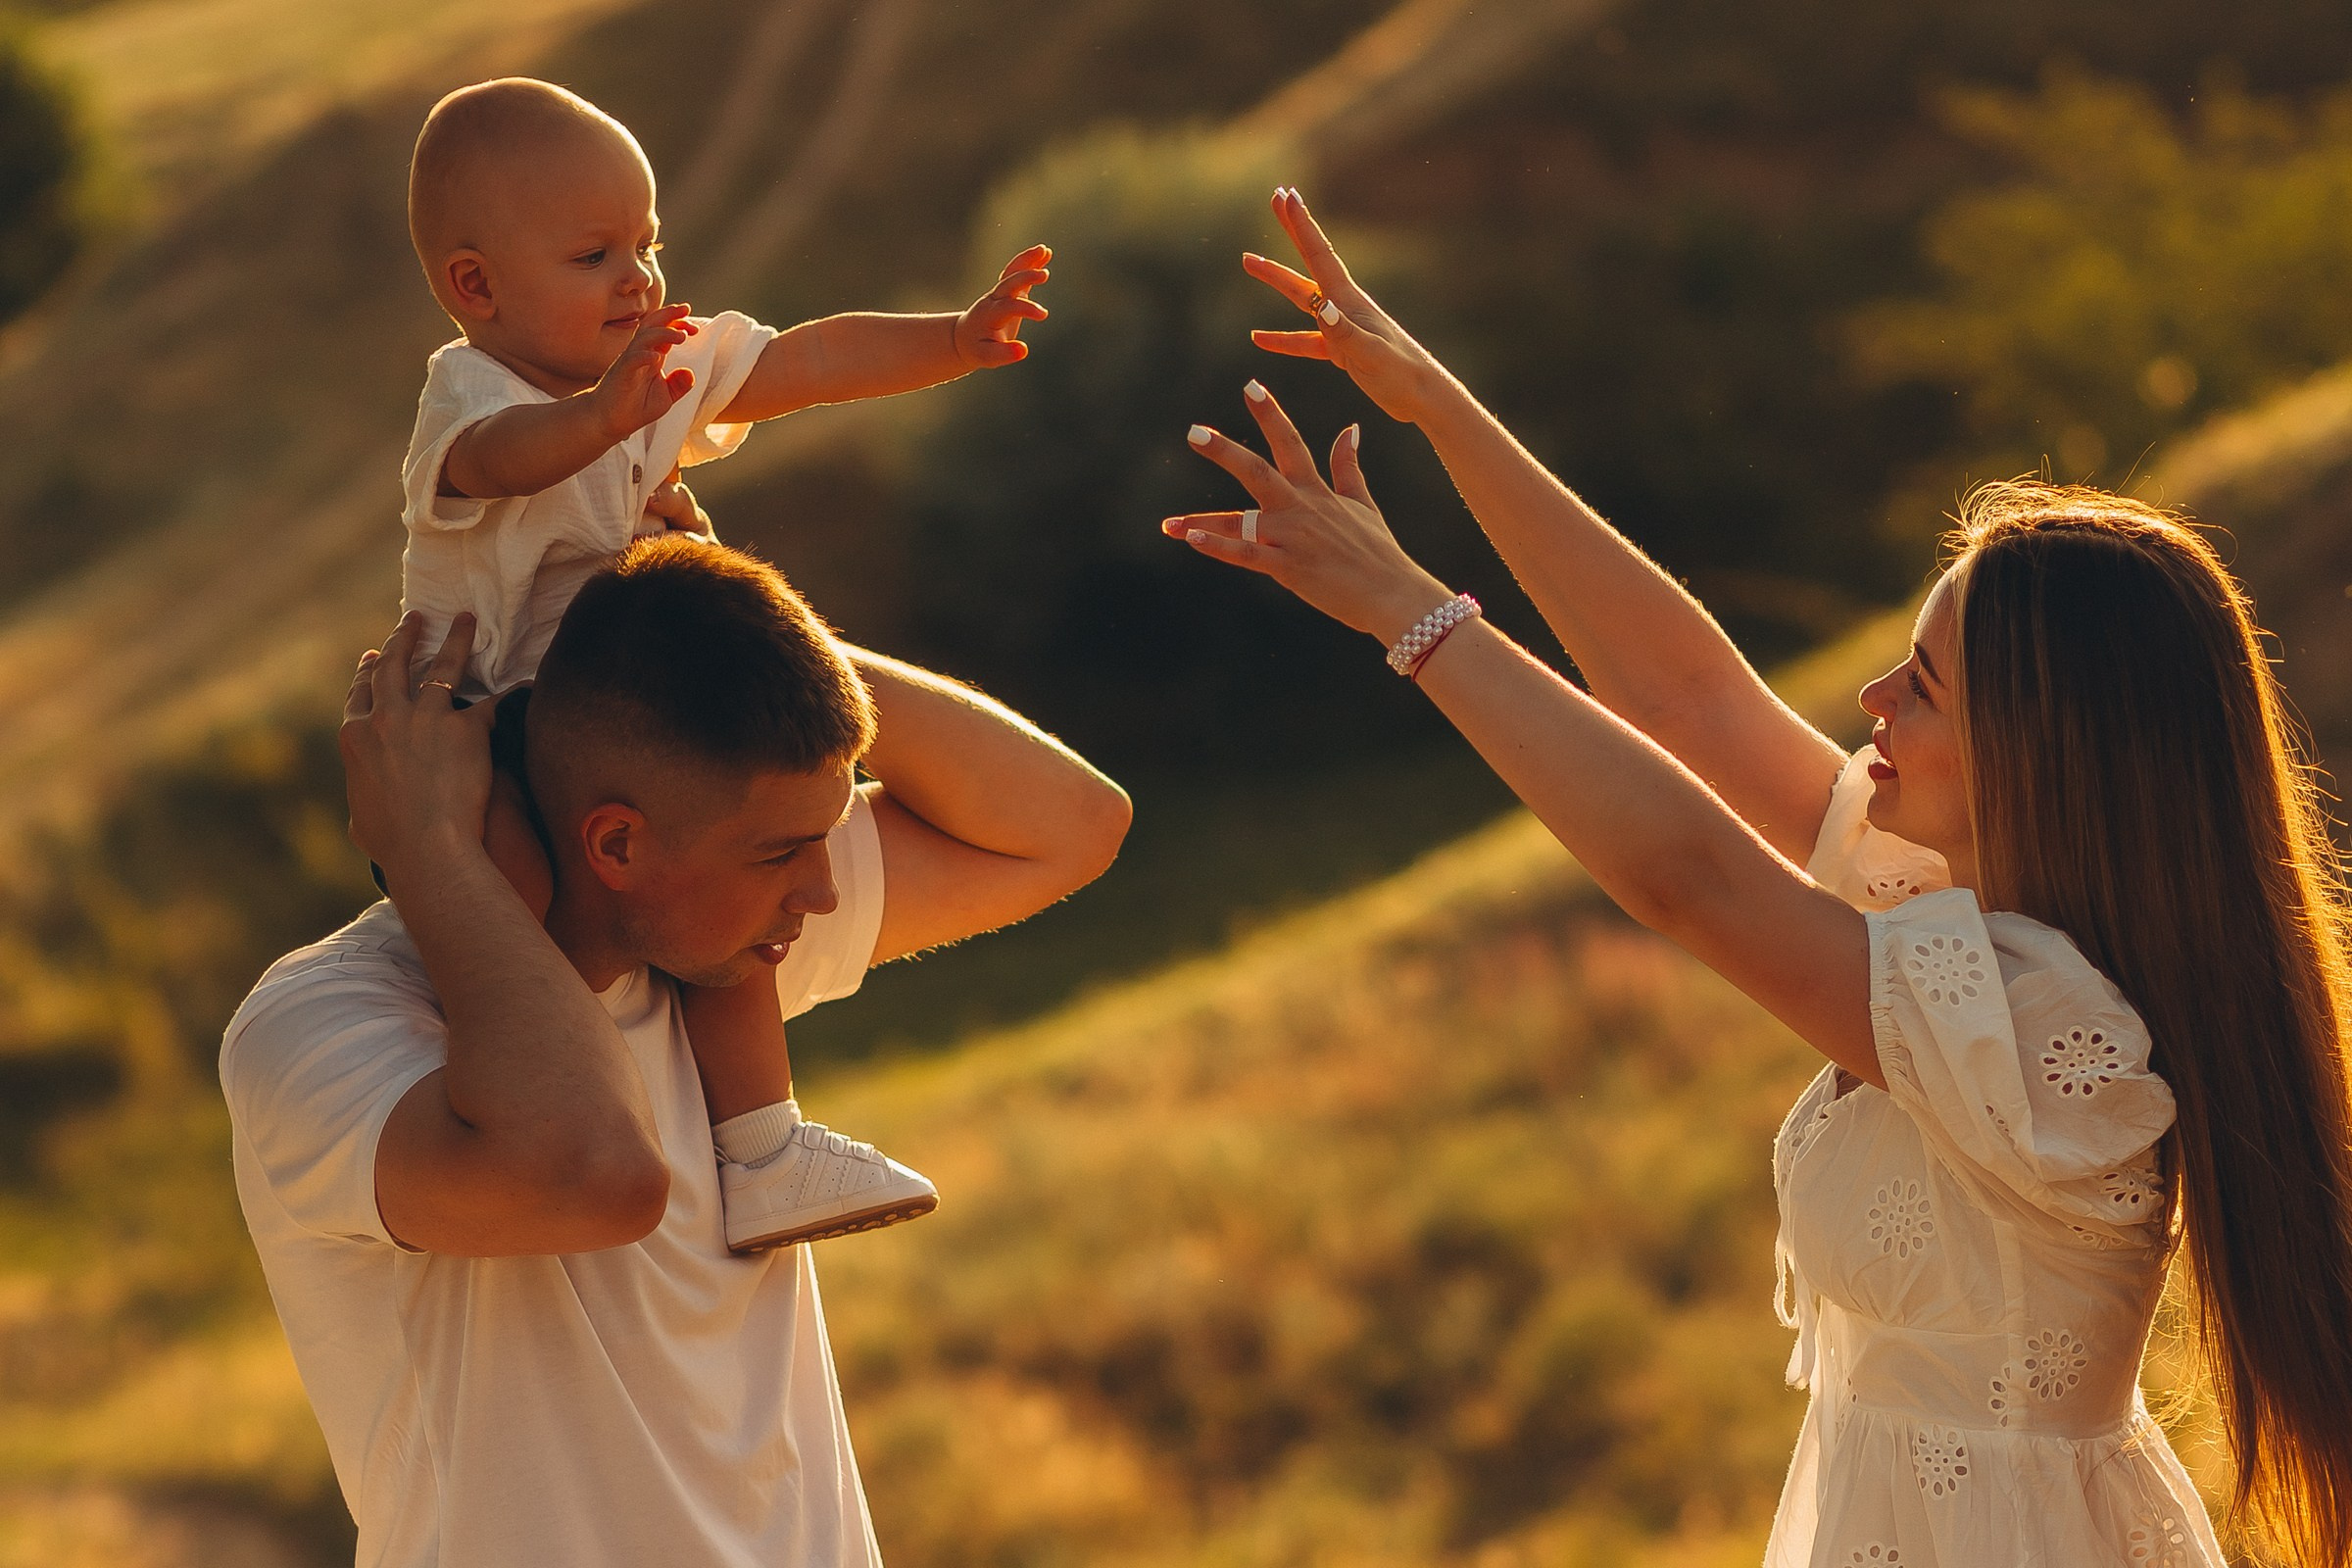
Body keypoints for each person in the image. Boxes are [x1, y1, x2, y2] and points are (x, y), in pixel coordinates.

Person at [1161, 187, 2352, 1567]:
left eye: (1924, 686)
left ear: (2044, 753)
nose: (1873, 700)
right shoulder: (1955, 919)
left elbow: (1693, 879)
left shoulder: (2051, 1033)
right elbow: (1694, 704)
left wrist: (1407, 611)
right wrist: (1437, 407)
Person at [220, 533, 1130, 1565]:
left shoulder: (711, 953)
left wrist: (744, 631)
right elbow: (596, 1177)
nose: (823, 890)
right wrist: (430, 847)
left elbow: (1069, 824)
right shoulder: (319, 1024)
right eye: (784, 853)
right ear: (617, 843)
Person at [398, 76, 1053, 1248]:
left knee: (729, 905)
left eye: (647, 244)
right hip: (497, 724)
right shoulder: (473, 399)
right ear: (476, 287)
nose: (638, 278)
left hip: (643, 714)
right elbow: (501, 461)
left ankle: (761, 1145)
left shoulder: (648, 363)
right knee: (508, 891)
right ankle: (526, 1081)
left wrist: (952, 340)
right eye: (594, 255)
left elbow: (804, 360)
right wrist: (608, 418)